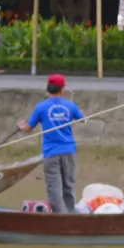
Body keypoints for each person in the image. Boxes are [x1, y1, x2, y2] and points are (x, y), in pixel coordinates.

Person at [20, 74, 85, 214]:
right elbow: (82, 119)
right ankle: (69, 213)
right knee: (68, 184)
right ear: (62, 90)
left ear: (48, 89)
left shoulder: (41, 107)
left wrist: (21, 126)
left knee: (54, 186)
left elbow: (28, 128)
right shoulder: (70, 106)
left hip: (51, 152)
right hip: (68, 150)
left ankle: (60, 216)